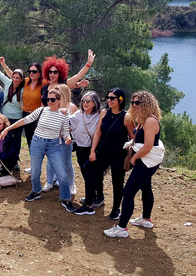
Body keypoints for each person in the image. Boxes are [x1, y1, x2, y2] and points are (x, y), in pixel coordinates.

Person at [0, 88, 75, 211]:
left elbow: (65, 132)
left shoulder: (63, 115)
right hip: (37, 143)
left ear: (59, 100)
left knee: (62, 175)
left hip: (53, 145)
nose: (49, 102)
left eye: (52, 100)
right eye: (47, 99)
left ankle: (66, 199)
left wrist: (67, 138)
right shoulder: (41, 110)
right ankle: (36, 191)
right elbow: (25, 120)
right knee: (35, 173)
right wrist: (8, 129)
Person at [104, 91, 164, 237]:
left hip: (146, 160)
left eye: (138, 103)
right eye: (133, 103)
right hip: (147, 159)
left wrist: (133, 158)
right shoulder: (144, 119)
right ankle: (145, 219)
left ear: (147, 104)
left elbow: (148, 146)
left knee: (128, 192)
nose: (134, 105)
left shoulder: (150, 121)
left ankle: (121, 228)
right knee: (146, 188)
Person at [85, 88, 136, 219]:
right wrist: (92, 151)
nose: (108, 100)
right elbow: (98, 133)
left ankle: (115, 209)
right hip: (103, 152)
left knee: (117, 182)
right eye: (107, 97)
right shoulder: (104, 113)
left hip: (119, 155)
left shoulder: (127, 117)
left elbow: (133, 138)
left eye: (112, 98)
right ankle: (89, 204)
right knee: (92, 174)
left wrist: (131, 155)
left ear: (120, 100)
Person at [70, 92, 103, 215]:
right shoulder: (78, 115)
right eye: (83, 100)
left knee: (91, 175)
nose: (85, 103)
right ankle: (96, 197)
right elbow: (67, 123)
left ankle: (89, 204)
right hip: (81, 149)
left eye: (88, 101)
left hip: (95, 149)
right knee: (87, 175)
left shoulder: (101, 115)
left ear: (95, 103)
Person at [42, 84, 78, 194]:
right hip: (52, 139)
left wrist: (64, 131)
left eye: (58, 91)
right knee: (50, 161)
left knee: (67, 162)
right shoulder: (52, 105)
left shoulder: (72, 107)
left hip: (65, 139)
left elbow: (75, 125)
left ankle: (71, 184)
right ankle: (49, 182)